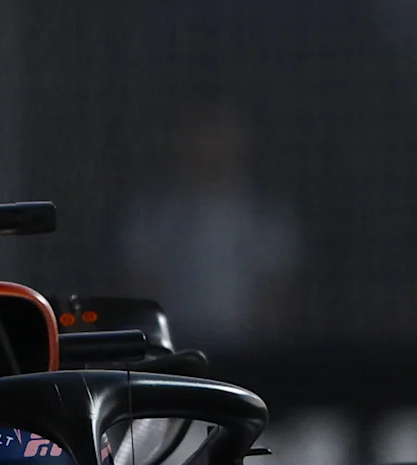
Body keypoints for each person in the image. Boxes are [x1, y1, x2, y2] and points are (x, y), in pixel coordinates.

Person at [122, 105, 299, 347]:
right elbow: (140, 288)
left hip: (248, 353)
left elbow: (277, 297)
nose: (208, 146)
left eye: (218, 134)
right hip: (177, 354)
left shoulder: (265, 218)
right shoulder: (153, 217)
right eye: (198, 134)